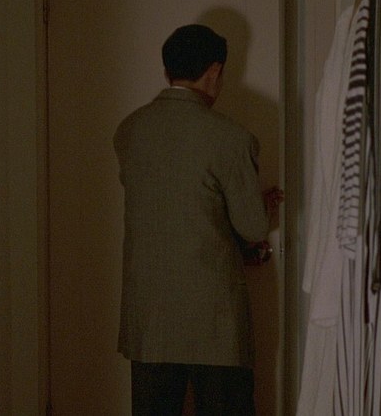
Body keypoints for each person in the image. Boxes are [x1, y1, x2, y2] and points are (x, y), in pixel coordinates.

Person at [114, 24, 283, 415]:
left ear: (167, 71)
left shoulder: (129, 130)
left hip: (150, 316)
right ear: (214, 71)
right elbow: (253, 227)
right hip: (214, 318)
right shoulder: (231, 138)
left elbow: (168, 203)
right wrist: (262, 206)